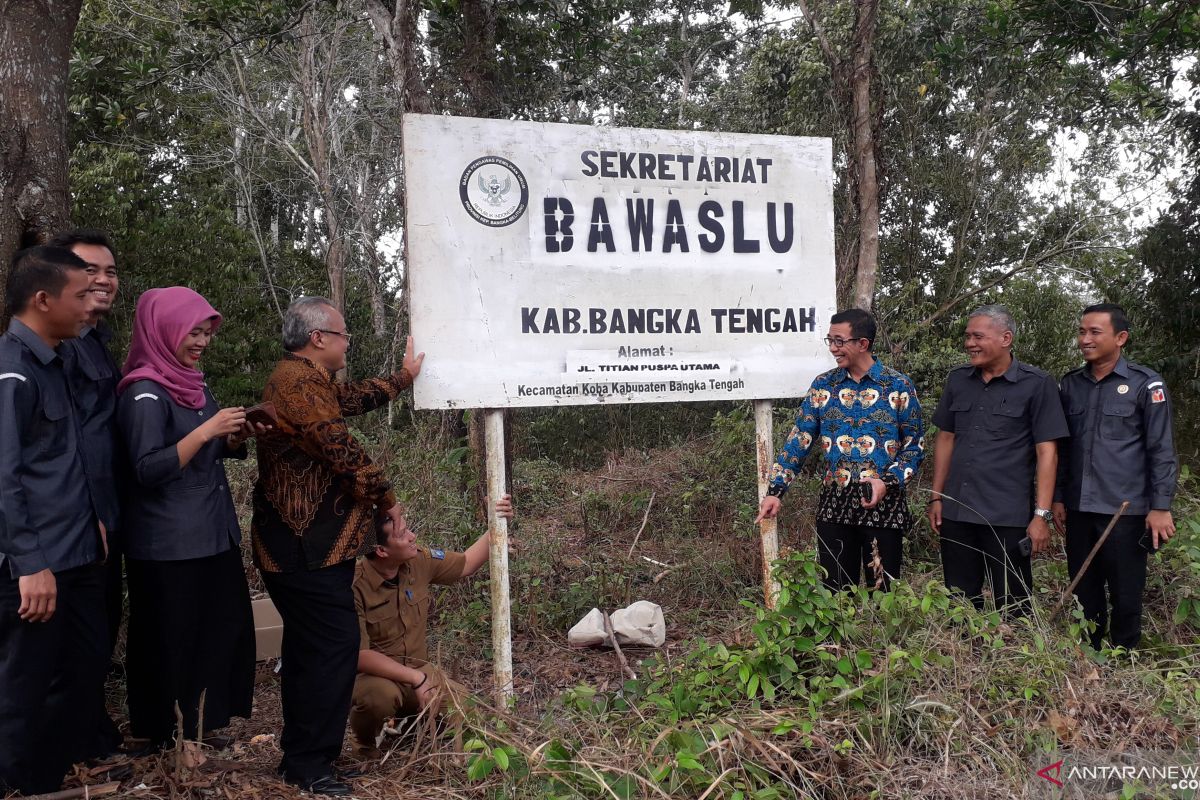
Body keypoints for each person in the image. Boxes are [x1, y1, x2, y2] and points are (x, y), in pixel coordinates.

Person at [252, 296, 424, 796]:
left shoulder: (309, 383)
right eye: (345, 334)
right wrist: (387, 499)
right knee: (331, 647)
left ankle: (309, 756)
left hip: (311, 545)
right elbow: (339, 446)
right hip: (302, 545)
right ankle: (309, 763)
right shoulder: (298, 382)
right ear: (319, 338)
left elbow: (349, 401)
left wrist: (402, 378)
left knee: (316, 647)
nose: (349, 342)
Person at [116, 287, 261, 750]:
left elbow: (211, 451)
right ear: (164, 330)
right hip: (167, 544)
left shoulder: (194, 383)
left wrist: (234, 437)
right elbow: (146, 468)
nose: (201, 342)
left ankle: (201, 723)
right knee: (168, 635)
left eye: (206, 333)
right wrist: (206, 431)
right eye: (192, 332)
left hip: (211, 532)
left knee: (214, 630)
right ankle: (162, 731)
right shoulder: (144, 392)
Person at [0, 246, 106, 795]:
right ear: (43, 300)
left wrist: (97, 519)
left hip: (80, 553)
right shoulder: (13, 371)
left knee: (80, 674)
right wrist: (30, 562)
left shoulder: (62, 360)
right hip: (38, 566)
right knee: (24, 688)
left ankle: (41, 781)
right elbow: (5, 476)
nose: (93, 305)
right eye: (80, 295)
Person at [755, 308, 925, 591]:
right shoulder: (823, 386)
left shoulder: (898, 385)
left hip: (883, 503)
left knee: (885, 594)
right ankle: (836, 638)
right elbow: (799, 440)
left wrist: (888, 482)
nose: (833, 348)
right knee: (834, 592)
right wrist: (776, 491)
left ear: (862, 344)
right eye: (830, 340)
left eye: (839, 341)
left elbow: (915, 445)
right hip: (835, 505)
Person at [928, 304, 1068, 614]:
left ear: (1006, 338)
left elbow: (1048, 452)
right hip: (957, 511)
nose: (970, 344)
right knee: (960, 602)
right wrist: (936, 498)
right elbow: (946, 438)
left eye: (978, 336)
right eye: (967, 336)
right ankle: (964, 657)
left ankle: (1013, 657)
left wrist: (1041, 515)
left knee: (1013, 604)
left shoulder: (1037, 383)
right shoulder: (958, 380)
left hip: (1006, 516)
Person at [350, 495, 513, 760]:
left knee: (468, 712)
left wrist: (497, 519)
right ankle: (365, 745)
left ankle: (414, 730)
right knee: (377, 697)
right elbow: (359, 655)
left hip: (419, 669)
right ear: (381, 550)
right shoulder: (354, 585)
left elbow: (467, 564)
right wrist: (416, 679)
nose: (413, 536)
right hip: (377, 677)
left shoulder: (419, 560)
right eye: (403, 534)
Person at [1053, 303, 1177, 649]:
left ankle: (1125, 655)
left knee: (1125, 590)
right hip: (1079, 507)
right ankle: (1088, 652)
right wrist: (1059, 497)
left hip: (1126, 510)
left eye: (1094, 332)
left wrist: (1160, 506)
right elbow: (1064, 448)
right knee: (1083, 587)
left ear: (1120, 337)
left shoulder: (1145, 384)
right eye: (1081, 331)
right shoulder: (1071, 384)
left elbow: (1161, 449)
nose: (1085, 339)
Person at [50, 228, 125, 758]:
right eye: (90, 270)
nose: (102, 280)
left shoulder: (96, 341)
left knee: (101, 628)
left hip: (108, 511)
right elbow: (63, 441)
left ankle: (92, 732)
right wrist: (87, 512)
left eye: (111, 272)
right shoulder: (59, 347)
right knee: (74, 638)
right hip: (77, 520)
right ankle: (66, 745)